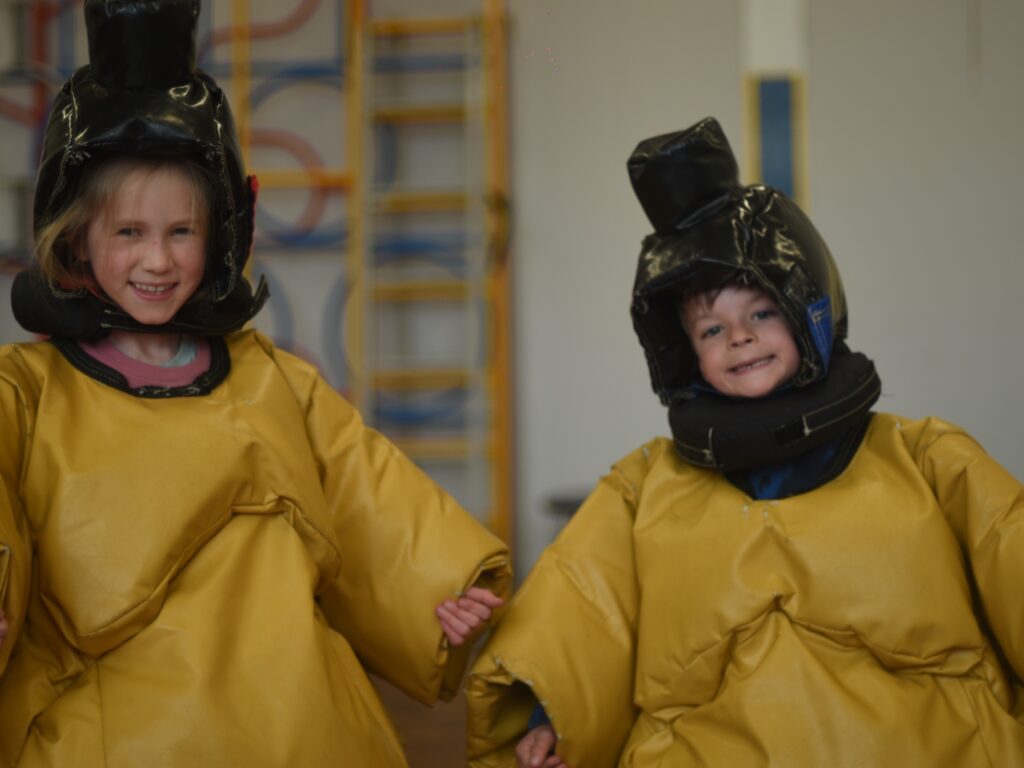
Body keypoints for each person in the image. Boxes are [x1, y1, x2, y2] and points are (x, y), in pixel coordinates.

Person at [0, 2, 510, 765]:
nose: (157, 260)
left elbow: (361, 489)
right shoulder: (27, 392)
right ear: (76, 240)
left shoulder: (270, 377)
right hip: (121, 721)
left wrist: (436, 587)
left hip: (295, 709)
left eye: (181, 232)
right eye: (129, 233)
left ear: (220, 236)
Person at [465, 117, 1024, 767]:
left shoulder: (925, 458)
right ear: (683, 355)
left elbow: (1009, 546)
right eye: (711, 330)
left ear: (810, 310)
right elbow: (582, 607)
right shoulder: (643, 490)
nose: (739, 337)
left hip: (925, 741)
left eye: (761, 312)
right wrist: (549, 717)